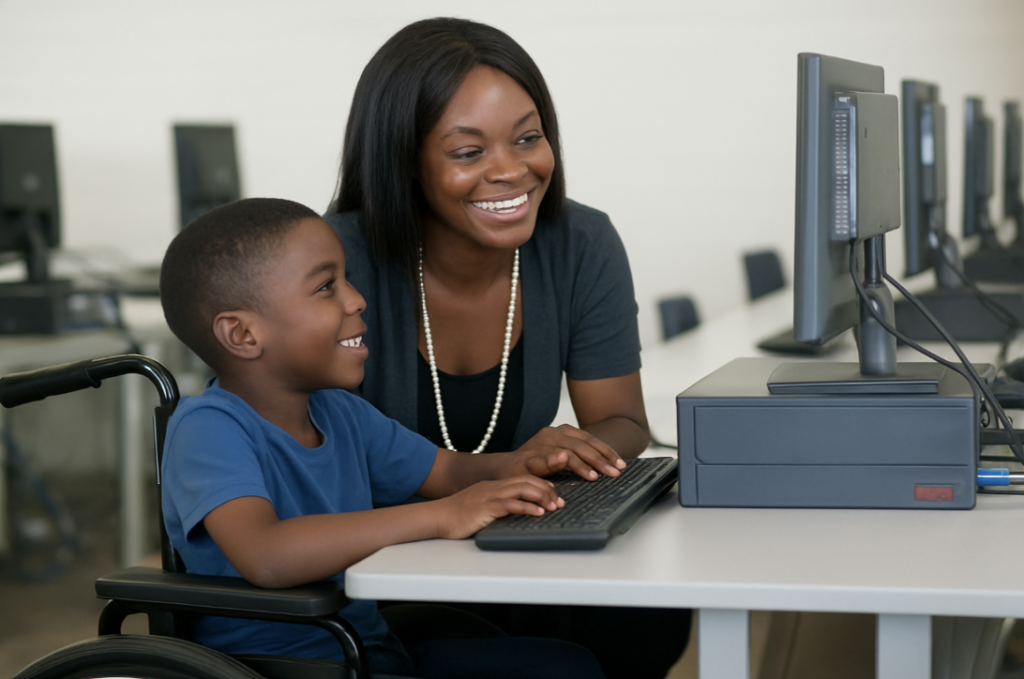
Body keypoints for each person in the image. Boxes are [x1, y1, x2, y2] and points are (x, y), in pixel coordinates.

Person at [324, 17, 691, 679]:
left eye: (528, 137)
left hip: (505, 549)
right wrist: (485, 480)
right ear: (403, 161)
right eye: (469, 152)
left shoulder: (580, 242)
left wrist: (567, 448)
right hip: (378, 571)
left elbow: (625, 419)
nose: (512, 170)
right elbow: (303, 467)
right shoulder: (334, 264)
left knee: (646, 612)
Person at [158, 197, 618, 679]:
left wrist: (523, 465)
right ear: (243, 335)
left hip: (368, 651)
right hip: (287, 670)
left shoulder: (339, 411)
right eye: (325, 287)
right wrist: (443, 516)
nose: (356, 299)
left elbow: (445, 471)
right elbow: (267, 554)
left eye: (347, 279)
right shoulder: (208, 428)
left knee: (566, 665)